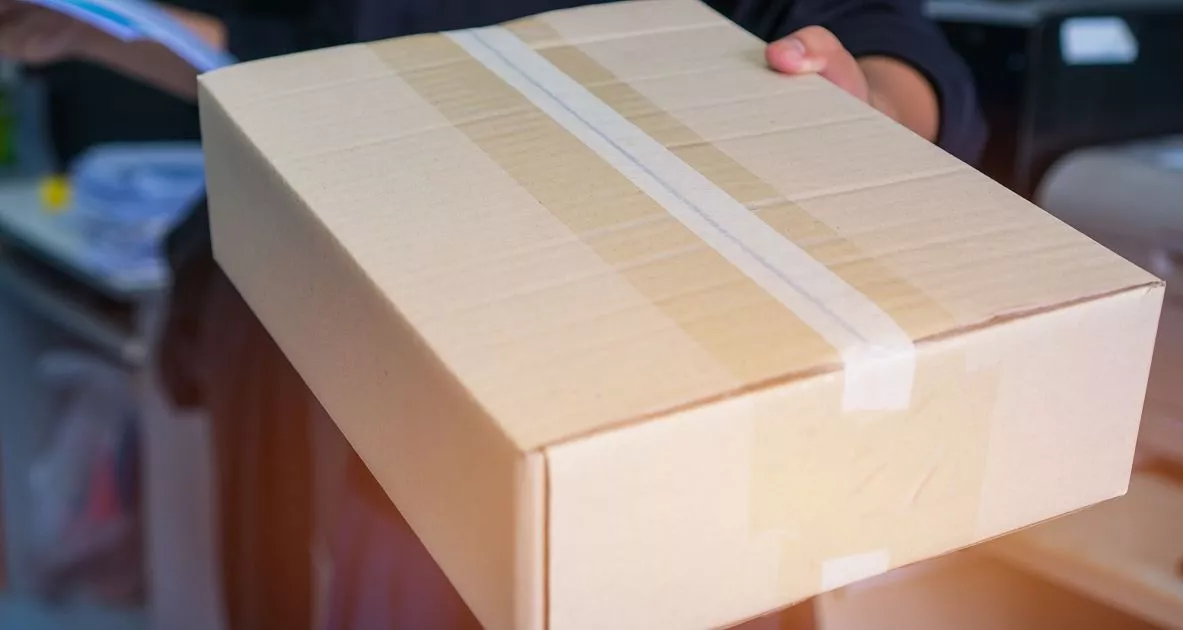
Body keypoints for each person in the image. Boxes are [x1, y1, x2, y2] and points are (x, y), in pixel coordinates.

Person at [0, 1, 985, 629]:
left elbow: (896, 48)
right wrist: (94, 28)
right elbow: (305, 60)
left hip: (665, 429)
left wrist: (871, 107)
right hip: (384, 418)